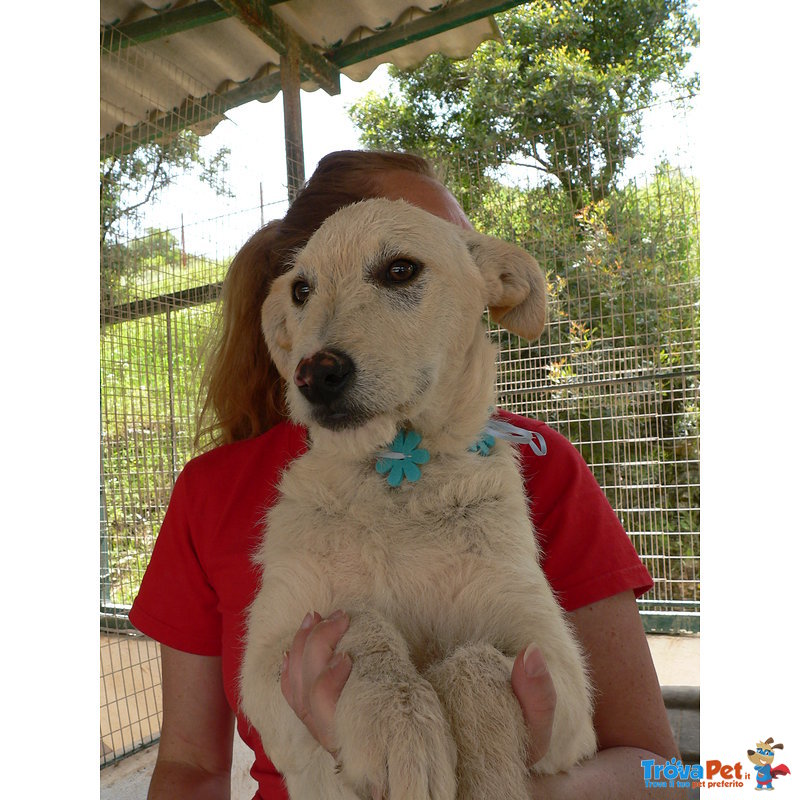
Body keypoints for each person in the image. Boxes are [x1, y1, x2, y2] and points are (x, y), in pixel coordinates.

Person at [129, 150, 684, 799]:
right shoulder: (212, 491)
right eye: (310, 292)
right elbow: (193, 766)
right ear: (289, 325)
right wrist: (363, 667)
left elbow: (666, 771)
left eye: (400, 271)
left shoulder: (542, 467)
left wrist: (507, 784)